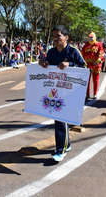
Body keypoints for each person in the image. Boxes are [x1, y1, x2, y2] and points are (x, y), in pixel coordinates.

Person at [38, 25, 86, 162]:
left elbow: (84, 68)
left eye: (58, 36)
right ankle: (66, 144)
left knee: (61, 119)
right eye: (54, 36)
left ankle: (61, 150)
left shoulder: (74, 51)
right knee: (59, 118)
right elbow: (49, 67)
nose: (55, 38)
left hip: (71, 92)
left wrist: (70, 64)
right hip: (56, 92)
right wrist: (43, 63)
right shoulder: (52, 52)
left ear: (66, 37)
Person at [81, 31, 104, 99]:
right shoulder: (86, 45)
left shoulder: (98, 44)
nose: (90, 38)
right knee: (87, 81)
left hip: (96, 66)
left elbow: (101, 54)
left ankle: (95, 94)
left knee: (95, 80)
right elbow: (82, 54)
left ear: (94, 37)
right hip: (87, 66)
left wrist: (97, 61)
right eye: (89, 37)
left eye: (92, 37)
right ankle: (87, 94)